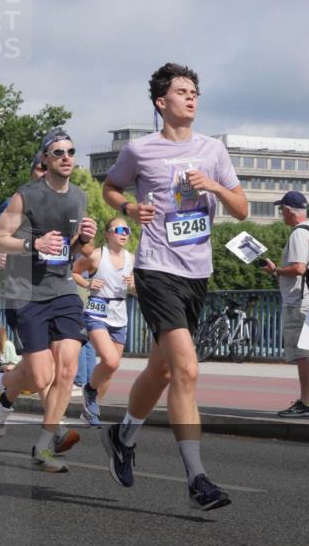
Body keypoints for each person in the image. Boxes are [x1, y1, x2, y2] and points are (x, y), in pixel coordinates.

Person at [101, 62, 247, 510]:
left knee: (162, 370)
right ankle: (197, 478)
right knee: (186, 370)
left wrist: (215, 189)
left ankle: (123, 435)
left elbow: (241, 209)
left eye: (195, 92)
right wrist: (129, 207)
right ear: (161, 102)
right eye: (182, 92)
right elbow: (110, 187)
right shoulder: (140, 151)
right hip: (157, 269)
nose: (191, 98)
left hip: (197, 273)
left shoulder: (214, 150)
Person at [0, 129, 97, 473]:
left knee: (68, 368)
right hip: (25, 291)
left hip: (62, 289)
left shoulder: (78, 198)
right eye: (57, 151)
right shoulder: (25, 197)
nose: (65, 156)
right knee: (39, 374)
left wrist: (82, 242)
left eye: (71, 151)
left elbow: (69, 250)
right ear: (44, 159)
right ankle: (2, 393)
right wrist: (33, 245)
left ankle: (44, 447)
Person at [262, 191, 309, 417]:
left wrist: (275, 270)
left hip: (299, 301)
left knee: (303, 354)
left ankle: (306, 401)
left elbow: (299, 268)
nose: (281, 214)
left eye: (282, 210)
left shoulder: (298, 234)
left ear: (289, 210)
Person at [72, 216, 137, 427]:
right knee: (110, 360)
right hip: (97, 309)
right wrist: (88, 282)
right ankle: (90, 389)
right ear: (108, 233)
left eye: (127, 231)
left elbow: (138, 290)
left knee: (110, 369)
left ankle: (90, 409)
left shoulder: (131, 259)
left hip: (120, 311)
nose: (124, 234)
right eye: (119, 230)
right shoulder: (96, 256)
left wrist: (135, 285)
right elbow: (74, 271)